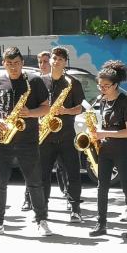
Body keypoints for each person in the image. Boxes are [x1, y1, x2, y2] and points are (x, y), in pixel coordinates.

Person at [0, 46, 52, 238]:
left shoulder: (34, 81)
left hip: (27, 139)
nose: (13, 67)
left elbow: (46, 108)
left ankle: (41, 221)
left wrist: (30, 113)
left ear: (22, 63)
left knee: (34, 182)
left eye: (17, 63)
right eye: (9, 63)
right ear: (3, 63)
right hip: (3, 139)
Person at [87, 60, 127, 239]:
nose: (102, 89)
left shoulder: (125, 101)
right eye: (100, 85)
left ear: (115, 85)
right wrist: (97, 135)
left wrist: (104, 133)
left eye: (106, 86)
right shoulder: (103, 100)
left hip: (123, 150)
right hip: (106, 150)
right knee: (101, 187)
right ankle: (101, 223)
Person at [39, 47, 85, 223]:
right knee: (43, 175)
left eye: (61, 59)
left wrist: (65, 110)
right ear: (49, 60)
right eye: (54, 58)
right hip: (45, 136)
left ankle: (75, 209)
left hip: (66, 135)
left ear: (65, 62)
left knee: (73, 173)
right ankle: (42, 210)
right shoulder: (39, 82)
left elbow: (80, 107)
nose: (56, 61)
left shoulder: (73, 83)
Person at [23, 50, 58, 212]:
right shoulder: (35, 80)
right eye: (40, 62)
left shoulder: (53, 80)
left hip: (52, 128)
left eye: (45, 61)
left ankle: (61, 195)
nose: (43, 65)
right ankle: (27, 199)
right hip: (36, 128)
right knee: (33, 167)